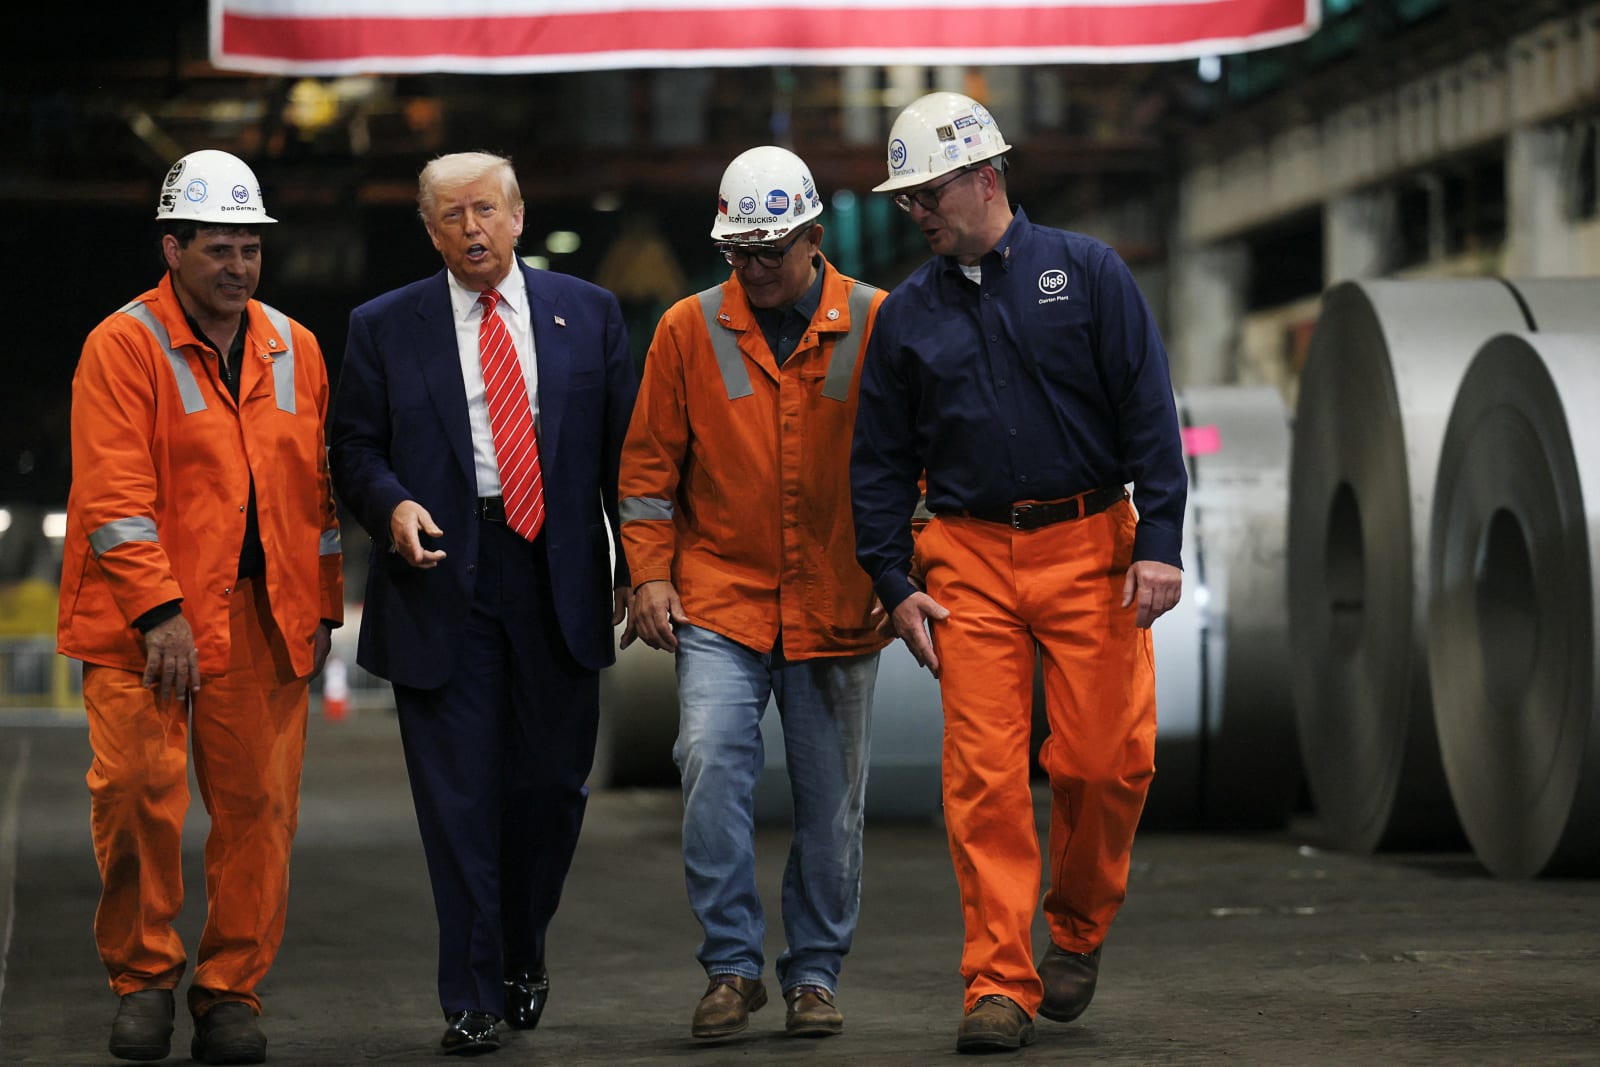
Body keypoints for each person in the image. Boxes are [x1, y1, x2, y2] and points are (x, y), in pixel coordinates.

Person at [849, 92, 1186, 1054]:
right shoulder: (906, 317)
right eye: (906, 196)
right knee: (984, 777)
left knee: (1106, 761)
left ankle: (1075, 928)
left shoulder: (1087, 273)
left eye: (928, 191)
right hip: (966, 558)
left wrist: (1158, 536)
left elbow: (1148, 410)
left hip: (1092, 544)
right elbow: (876, 461)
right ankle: (997, 979)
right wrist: (892, 577)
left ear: (984, 177)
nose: (915, 211)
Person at [328, 151, 637, 1056]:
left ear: (518, 215)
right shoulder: (385, 326)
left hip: (557, 574)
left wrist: (640, 562)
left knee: (548, 792)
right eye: (452, 216)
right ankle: (468, 991)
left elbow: (628, 457)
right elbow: (353, 447)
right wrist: (391, 506)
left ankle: (521, 945)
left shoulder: (592, 313)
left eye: (486, 211)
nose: (472, 229)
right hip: (439, 574)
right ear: (429, 231)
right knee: (458, 800)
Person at [57, 149, 344, 1065]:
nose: (238, 266)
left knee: (260, 811)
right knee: (139, 795)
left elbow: (318, 495)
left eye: (250, 249)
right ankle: (143, 980)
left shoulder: (294, 347)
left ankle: (231, 992)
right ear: (171, 248)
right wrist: (159, 613)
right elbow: (112, 497)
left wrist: (322, 604)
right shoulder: (123, 345)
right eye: (218, 248)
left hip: (265, 618)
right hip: (145, 629)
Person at [619, 146, 887, 1041]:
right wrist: (649, 572)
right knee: (708, 762)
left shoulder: (878, 324)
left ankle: (814, 972)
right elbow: (649, 473)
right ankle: (732, 967)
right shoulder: (687, 331)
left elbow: (920, 465)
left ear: (815, 237)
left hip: (839, 600)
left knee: (831, 801)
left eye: (772, 251)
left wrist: (907, 567)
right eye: (741, 253)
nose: (756, 269)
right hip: (722, 601)